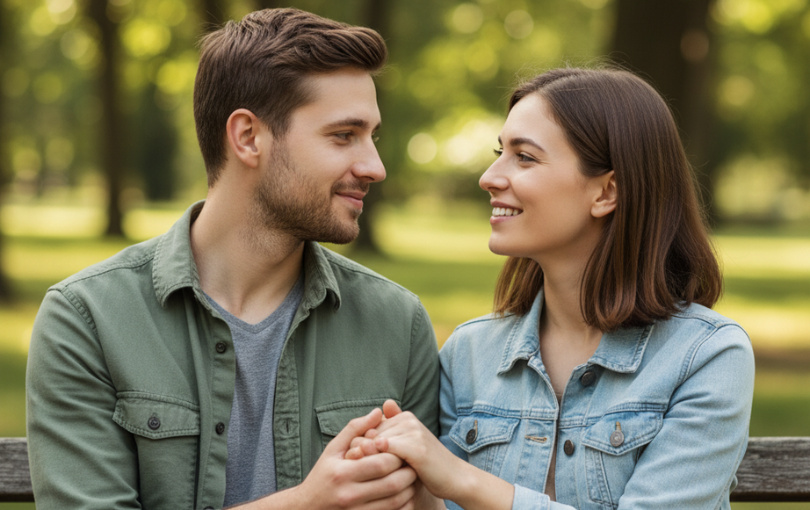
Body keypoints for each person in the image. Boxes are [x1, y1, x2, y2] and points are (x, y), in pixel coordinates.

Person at [26, 8, 439, 509]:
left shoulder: (397, 324)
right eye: (343, 135)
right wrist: (307, 503)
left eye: (371, 135)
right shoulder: (88, 319)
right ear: (248, 137)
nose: (375, 165)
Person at [346, 67, 755, 509]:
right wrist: (402, 478)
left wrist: (461, 480)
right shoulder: (469, 353)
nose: (489, 177)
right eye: (500, 151)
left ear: (606, 192)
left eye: (524, 157)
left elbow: (458, 484)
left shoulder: (706, 357)